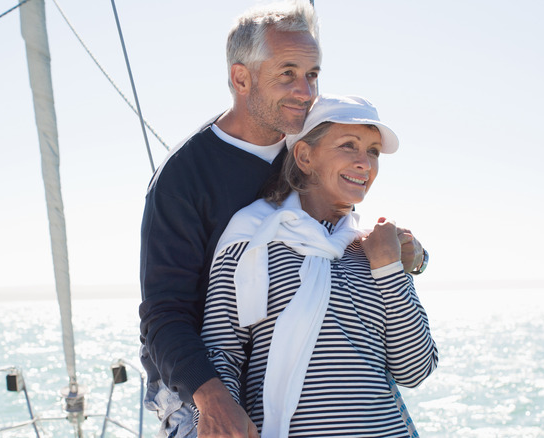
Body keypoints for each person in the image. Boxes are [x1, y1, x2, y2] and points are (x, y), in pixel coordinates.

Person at [139, 2, 427, 437]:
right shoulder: (184, 176)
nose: (305, 91)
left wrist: (411, 256)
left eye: (312, 74)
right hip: (193, 376)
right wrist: (213, 398)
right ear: (241, 78)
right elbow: (165, 312)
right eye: (287, 73)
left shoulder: (307, 147)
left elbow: (341, 234)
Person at [201, 94, 438, 437]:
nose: (365, 163)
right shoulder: (251, 239)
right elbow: (220, 351)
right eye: (348, 146)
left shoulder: (373, 247)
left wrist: (389, 269)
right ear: (305, 155)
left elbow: (416, 369)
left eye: (373, 151)